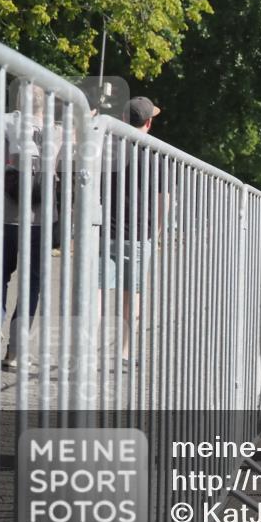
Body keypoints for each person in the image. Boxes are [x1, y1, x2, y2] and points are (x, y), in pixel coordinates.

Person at [0, 85, 62, 368]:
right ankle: (15, 349)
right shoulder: (56, 131)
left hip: (5, 215)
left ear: (16, 101)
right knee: (32, 281)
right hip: (41, 219)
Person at [98, 96, 162, 366]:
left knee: (98, 291)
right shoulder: (155, 153)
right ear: (148, 123)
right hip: (138, 232)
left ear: (124, 119)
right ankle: (123, 353)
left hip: (105, 230)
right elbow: (162, 199)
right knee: (131, 295)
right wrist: (156, 232)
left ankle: (89, 350)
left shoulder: (106, 146)